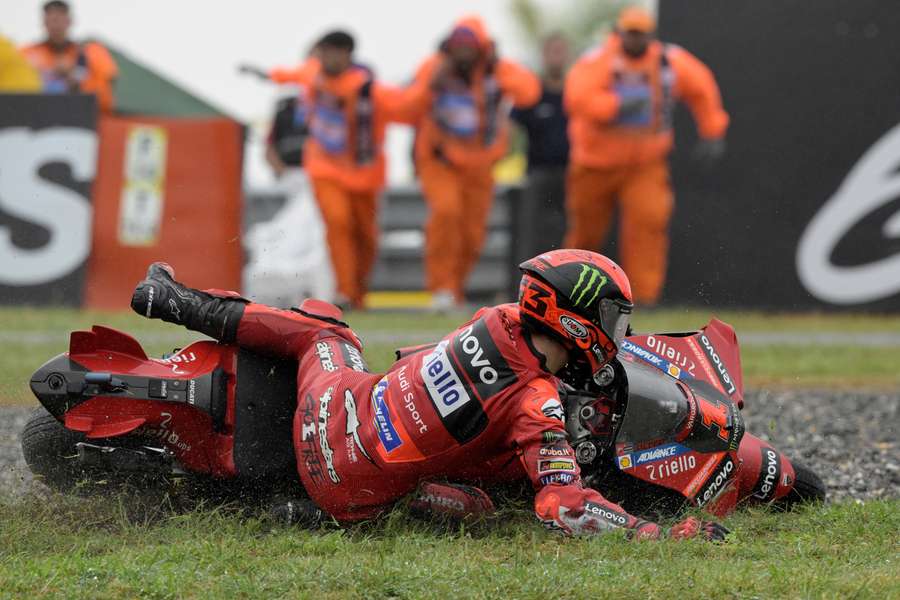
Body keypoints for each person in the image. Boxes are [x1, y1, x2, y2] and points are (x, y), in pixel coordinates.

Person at [129, 249, 728, 540]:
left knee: (327, 331)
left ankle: (177, 301)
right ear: (574, 319)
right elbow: (562, 506)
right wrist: (659, 533)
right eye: (610, 317)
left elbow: (427, 366)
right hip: (347, 494)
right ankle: (309, 516)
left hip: (333, 407)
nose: (617, 332)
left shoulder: (495, 319)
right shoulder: (538, 404)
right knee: (487, 507)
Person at [564, 6, 729, 305]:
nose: (636, 40)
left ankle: (643, 300)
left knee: (648, 225)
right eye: (631, 33)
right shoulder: (600, 59)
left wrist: (712, 129)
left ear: (651, 35)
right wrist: (616, 106)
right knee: (586, 233)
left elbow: (702, 87)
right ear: (620, 32)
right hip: (594, 165)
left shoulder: (668, 62)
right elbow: (577, 97)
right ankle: (568, 292)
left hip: (646, 165)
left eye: (641, 34)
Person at [259, 31, 422, 310]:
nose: (325, 58)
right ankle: (345, 292)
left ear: (347, 54)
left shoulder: (369, 89)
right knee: (337, 223)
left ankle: (358, 293)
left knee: (365, 235)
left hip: (364, 175)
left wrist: (427, 85)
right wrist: (264, 73)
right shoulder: (313, 75)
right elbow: (289, 74)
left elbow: (406, 109)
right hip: (324, 168)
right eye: (322, 52)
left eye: (332, 52)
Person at [405, 16, 541, 312]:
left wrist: (497, 68)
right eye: (459, 45)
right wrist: (432, 84)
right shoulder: (434, 66)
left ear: (481, 47)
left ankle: (455, 288)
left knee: (473, 233)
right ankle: (441, 287)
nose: (464, 52)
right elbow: (407, 106)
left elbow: (529, 92)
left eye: (470, 46)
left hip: (480, 165)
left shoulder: (495, 70)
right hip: (440, 160)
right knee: (446, 213)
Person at [510, 32, 571, 266]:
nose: (556, 57)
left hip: (573, 173)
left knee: (570, 232)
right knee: (532, 233)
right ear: (543, 55)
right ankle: (527, 285)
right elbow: (511, 126)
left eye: (561, 50)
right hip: (538, 172)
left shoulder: (576, 91)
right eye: (552, 51)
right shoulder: (532, 91)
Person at [21, 1, 118, 112]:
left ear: (69, 21)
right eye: (51, 20)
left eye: (59, 20)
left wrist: (75, 80)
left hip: (81, 118)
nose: (55, 26)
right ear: (44, 23)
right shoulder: (27, 54)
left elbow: (106, 98)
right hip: (38, 116)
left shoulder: (91, 53)